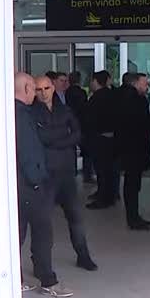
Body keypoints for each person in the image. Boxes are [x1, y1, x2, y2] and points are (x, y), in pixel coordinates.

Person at [14, 72, 71, 298]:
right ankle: (47, 279)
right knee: (42, 232)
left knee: (20, 231)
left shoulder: (18, 112)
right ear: (27, 88)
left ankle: (18, 276)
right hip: (29, 185)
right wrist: (38, 181)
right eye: (34, 89)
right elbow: (28, 152)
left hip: (21, 184)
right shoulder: (22, 115)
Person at [33, 75, 97, 271]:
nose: (43, 93)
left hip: (66, 174)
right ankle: (41, 264)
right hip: (46, 175)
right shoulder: (32, 113)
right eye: (39, 89)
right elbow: (41, 138)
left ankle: (83, 255)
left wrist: (55, 142)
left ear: (53, 88)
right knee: (42, 222)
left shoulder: (65, 109)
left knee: (76, 217)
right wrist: (64, 139)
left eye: (46, 88)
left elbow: (77, 134)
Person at [117, 72, 150, 230]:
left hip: (125, 148)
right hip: (135, 149)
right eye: (144, 83)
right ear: (135, 83)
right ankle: (133, 218)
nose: (147, 87)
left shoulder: (119, 97)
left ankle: (132, 216)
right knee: (132, 184)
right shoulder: (137, 100)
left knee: (130, 183)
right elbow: (143, 124)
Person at [85, 71, 120, 210]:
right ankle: (109, 195)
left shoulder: (96, 98)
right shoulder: (113, 96)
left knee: (102, 170)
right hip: (112, 139)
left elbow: (90, 120)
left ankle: (103, 198)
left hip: (99, 138)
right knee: (109, 170)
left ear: (96, 81)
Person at [65, 71, 91, 182]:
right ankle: (87, 175)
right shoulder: (82, 92)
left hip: (69, 123)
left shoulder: (66, 92)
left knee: (71, 149)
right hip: (82, 123)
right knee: (86, 151)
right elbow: (85, 108)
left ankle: (72, 171)